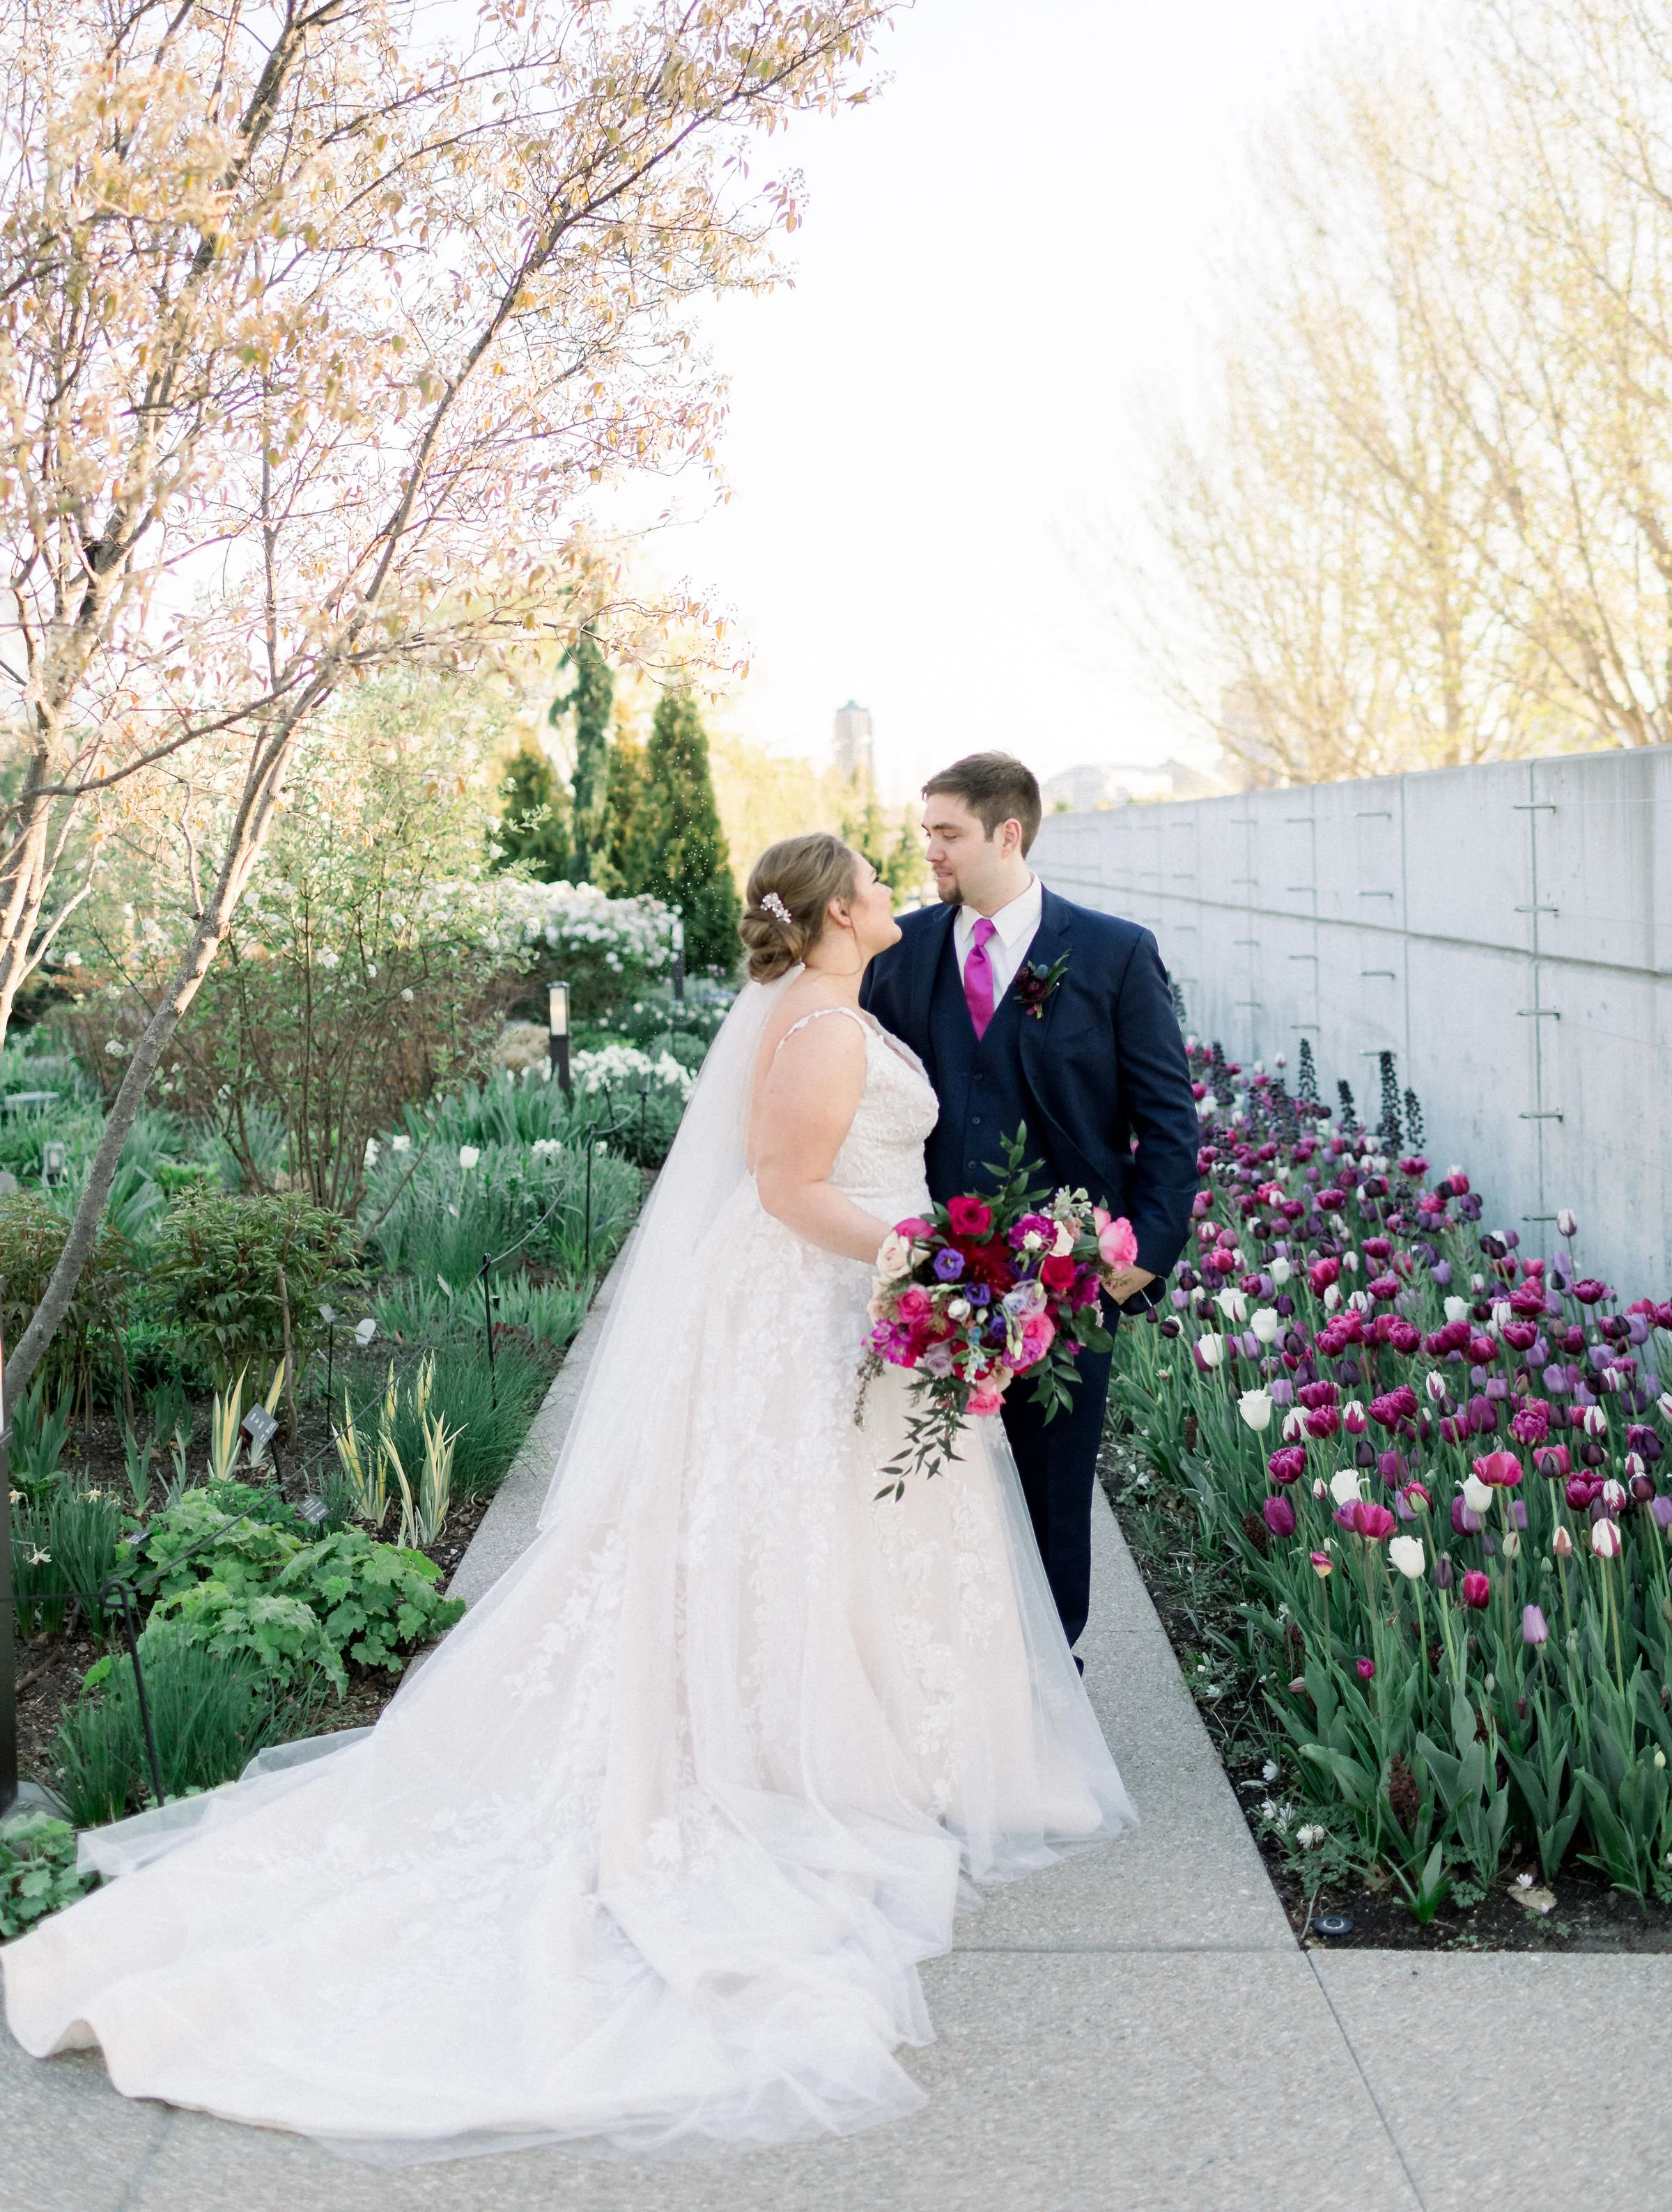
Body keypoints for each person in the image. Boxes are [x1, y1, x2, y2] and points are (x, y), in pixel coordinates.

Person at [3, 832, 1132, 2163]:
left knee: (836, 1532)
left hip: (857, 1306)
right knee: (780, 1527)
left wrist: (932, 1263)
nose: (896, 894)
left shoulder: (834, 1005)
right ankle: (799, 1746)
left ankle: (874, 1733)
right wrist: (924, 1251)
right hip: (819, 1298)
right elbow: (784, 1189)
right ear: (835, 913)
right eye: (875, 885)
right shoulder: (823, 1028)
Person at [862, 752, 1198, 1654]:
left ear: (1006, 833)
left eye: (947, 832)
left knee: (1055, 1504)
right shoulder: (897, 954)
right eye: (925, 830)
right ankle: (934, 1685)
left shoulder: (1113, 954)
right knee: (921, 1489)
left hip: (1068, 1292)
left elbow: (1170, 1127)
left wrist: (1141, 1267)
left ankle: (1053, 1699)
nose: (928, 848)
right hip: (925, 1286)